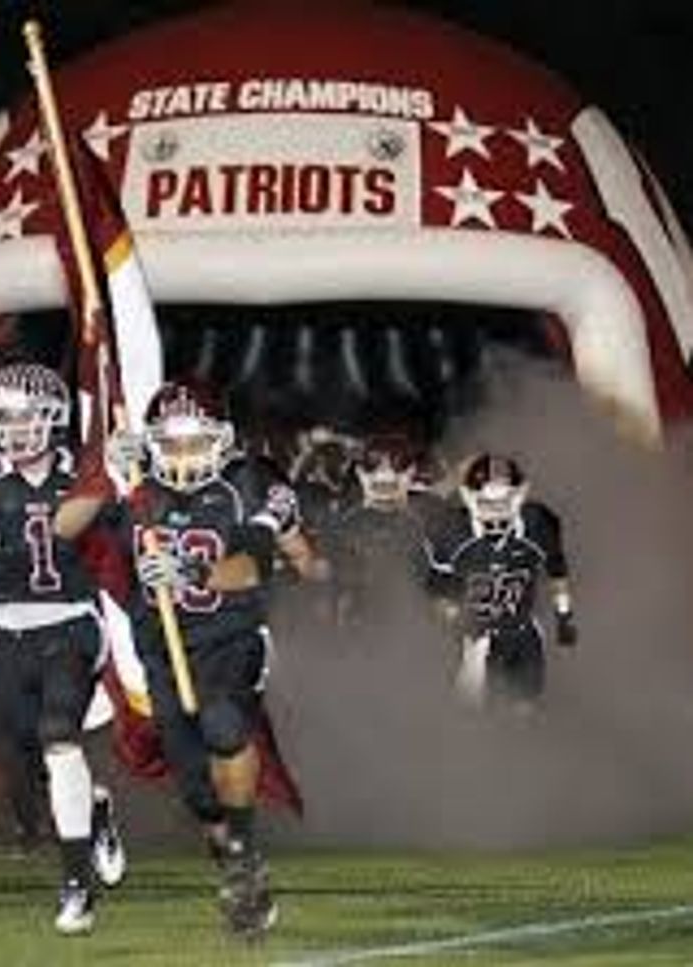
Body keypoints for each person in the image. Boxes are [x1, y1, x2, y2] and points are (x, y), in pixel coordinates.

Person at [57, 380, 301, 937]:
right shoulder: (135, 491)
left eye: (196, 441)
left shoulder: (246, 483)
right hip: (164, 652)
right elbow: (62, 528)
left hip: (230, 638)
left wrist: (191, 572)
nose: (184, 453)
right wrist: (103, 475)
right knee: (196, 790)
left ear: (222, 440)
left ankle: (241, 852)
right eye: (171, 441)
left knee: (224, 723)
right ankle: (238, 865)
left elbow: (253, 566)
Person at [0, 362, 118, 935]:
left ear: (53, 418)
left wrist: (128, 474)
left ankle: (76, 884)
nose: (13, 429)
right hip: (10, 634)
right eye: (3, 418)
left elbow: (126, 532)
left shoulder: (82, 475)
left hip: (72, 624)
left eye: (25, 416)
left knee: (59, 734)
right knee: (29, 753)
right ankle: (96, 810)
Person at [425, 453, 578, 712]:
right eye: (487, 502)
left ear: (519, 496)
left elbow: (556, 571)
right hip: (475, 637)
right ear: (470, 498)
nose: (496, 511)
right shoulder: (453, 532)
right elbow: (437, 589)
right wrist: (455, 619)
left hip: (522, 631)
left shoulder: (537, 525)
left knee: (524, 709)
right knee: (471, 714)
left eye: (504, 501)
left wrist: (564, 615)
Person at [326, 431, 446, 627]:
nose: (385, 478)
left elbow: (451, 578)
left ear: (411, 472)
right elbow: (336, 588)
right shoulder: (344, 525)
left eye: (397, 470)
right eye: (373, 471)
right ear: (360, 474)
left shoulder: (433, 514)